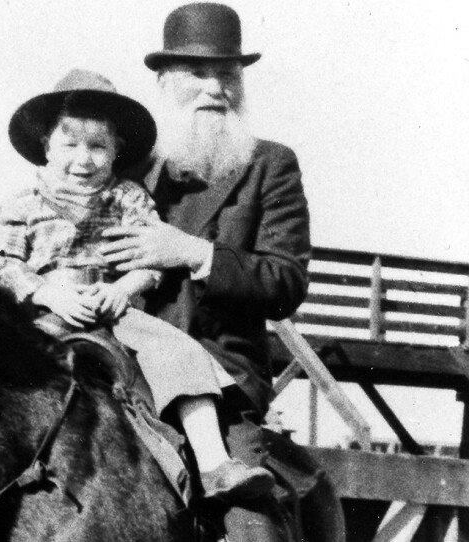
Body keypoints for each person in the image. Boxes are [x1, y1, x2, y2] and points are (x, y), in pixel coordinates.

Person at [0, 68, 275, 503]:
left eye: (98, 146)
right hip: (45, 310)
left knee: (178, 351)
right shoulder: (24, 203)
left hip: (113, 308)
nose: (83, 159)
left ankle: (214, 464)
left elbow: (151, 260)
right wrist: (45, 292)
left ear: (117, 150)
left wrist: (123, 289)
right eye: (70, 145)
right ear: (46, 146)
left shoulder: (129, 199)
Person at [99, 3, 312, 540]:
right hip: (111, 363)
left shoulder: (270, 164)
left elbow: (286, 281)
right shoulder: (118, 166)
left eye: (227, 75)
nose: (214, 88)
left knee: (248, 519)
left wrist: (193, 253)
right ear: (164, 81)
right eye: (197, 73)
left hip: (219, 381)